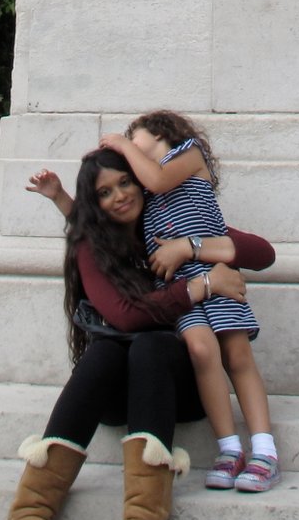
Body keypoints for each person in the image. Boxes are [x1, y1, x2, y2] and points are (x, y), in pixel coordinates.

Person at [4, 145, 275, 520]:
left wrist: (190, 246)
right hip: (116, 392)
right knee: (107, 351)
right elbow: (124, 317)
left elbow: (261, 253)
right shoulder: (92, 247)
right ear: (95, 204)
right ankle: (32, 509)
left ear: (143, 181)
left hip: (178, 388)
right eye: (105, 192)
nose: (120, 196)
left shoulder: (172, 222)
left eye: (126, 182)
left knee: (152, 345)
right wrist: (201, 285)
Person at [102, 110, 279, 491]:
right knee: (201, 351)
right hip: (181, 288)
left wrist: (118, 143)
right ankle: (230, 449)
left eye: (136, 137)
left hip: (215, 275)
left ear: (161, 133)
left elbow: (160, 179)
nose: (131, 145)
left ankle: (265, 450)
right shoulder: (144, 190)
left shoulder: (186, 155)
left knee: (237, 355)